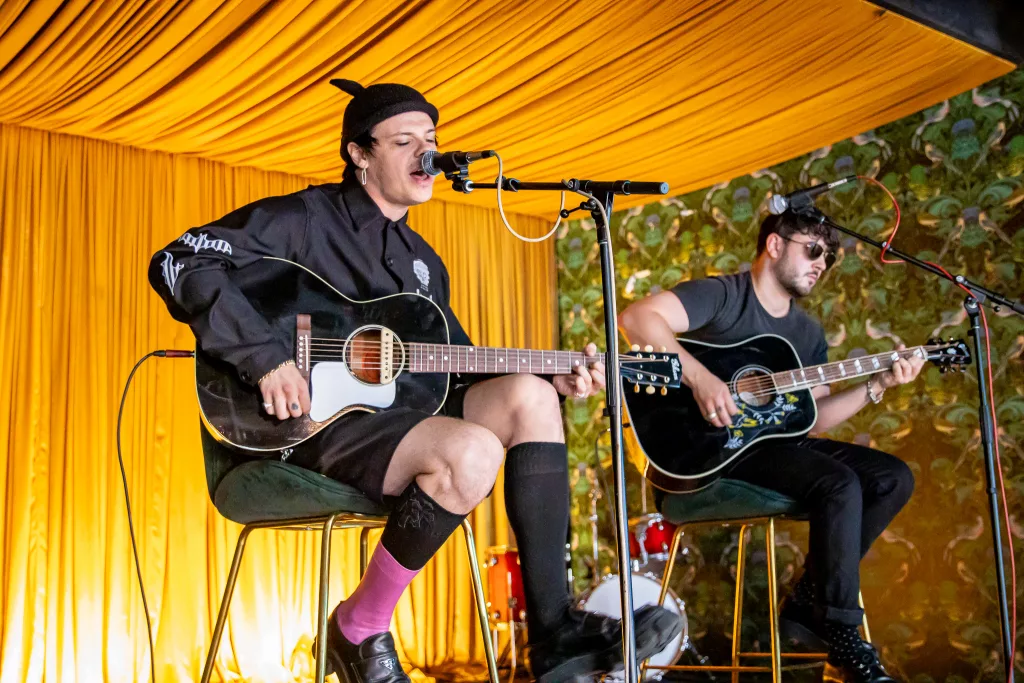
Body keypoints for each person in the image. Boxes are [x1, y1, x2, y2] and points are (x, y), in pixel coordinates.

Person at [149, 78, 680, 683]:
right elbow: (180, 259)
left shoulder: (424, 262)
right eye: (404, 142)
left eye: (430, 140)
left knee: (528, 396)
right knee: (472, 451)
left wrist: (555, 377)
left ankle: (553, 629)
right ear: (360, 153)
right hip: (301, 427)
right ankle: (359, 626)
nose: (425, 155)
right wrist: (265, 356)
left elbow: (451, 371)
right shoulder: (302, 219)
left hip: (393, 431)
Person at [618, 209, 924, 683]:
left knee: (892, 478)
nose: (823, 262)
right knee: (838, 483)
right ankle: (843, 637)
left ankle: (807, 600)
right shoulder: (723, 295)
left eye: (830, 257)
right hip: (710, 453)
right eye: (814, 249)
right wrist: (701, 380)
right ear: (776, 244)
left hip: (778, 450)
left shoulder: (807, 334)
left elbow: (814, 419)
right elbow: (637, 318)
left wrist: (878, 385)